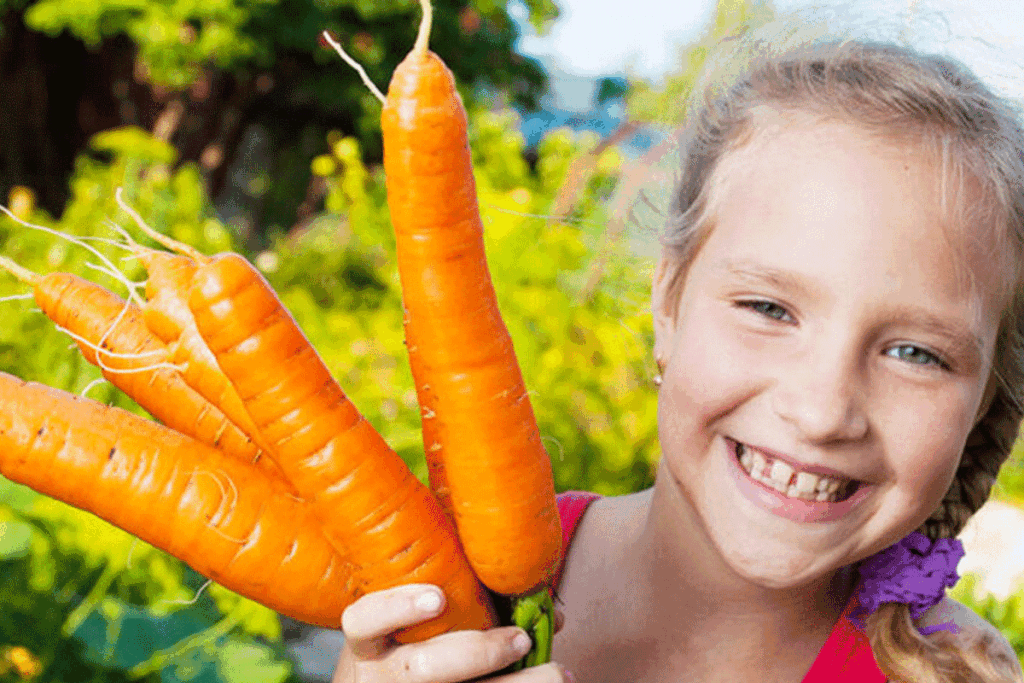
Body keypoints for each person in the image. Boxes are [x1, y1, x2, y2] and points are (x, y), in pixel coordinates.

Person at [331, 15, 1024, 683]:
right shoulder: (441, 610)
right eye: (769, 308)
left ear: (988, 396)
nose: (821, 410)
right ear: (669, 301)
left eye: (915, 353)